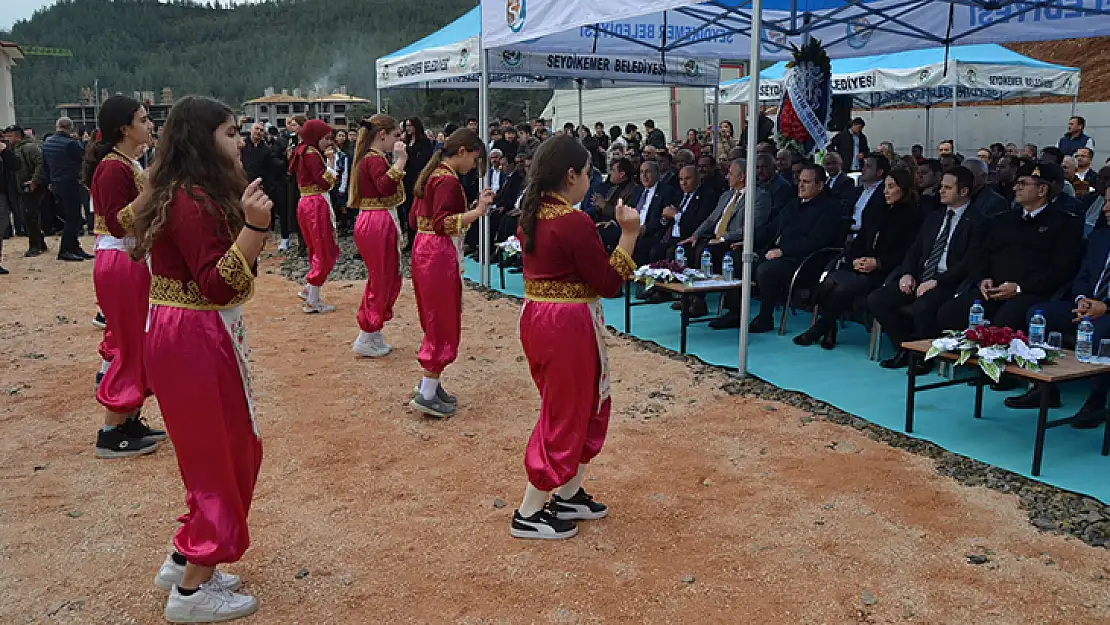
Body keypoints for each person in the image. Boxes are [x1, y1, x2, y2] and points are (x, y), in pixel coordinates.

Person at [131, 95, 269, 622]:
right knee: (226, 454)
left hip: (184, 333)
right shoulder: (192, 200)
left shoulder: (184, 193)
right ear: (203, 140)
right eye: (231, 133)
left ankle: (186, 555)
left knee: (211, 452)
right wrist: (253, 230)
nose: (240, 143)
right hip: (195, 336)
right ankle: (192, 589)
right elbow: (217, 284)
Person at [510, 134, 639, 540]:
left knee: (580, 404)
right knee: (568, 409)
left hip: (542, 317)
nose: (590, 180)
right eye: (587, 173)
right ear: (571, 175)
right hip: (567, 324)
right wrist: (629, 235)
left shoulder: (532, 214)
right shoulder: (572, 222)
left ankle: (567, 492)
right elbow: (607, 282)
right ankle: (530, 510)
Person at [84, 94, 164, 459]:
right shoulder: (114, 168)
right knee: (130, 343)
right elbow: (118, 220)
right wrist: (152, 194)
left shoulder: (123, 163)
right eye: (143, 119)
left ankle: (129, 416)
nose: (149, 125)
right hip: (121, 259)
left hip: (126, 258)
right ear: (124, 128)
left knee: (139, 339)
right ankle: (110, 430)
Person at [936, 162, 1083, 334]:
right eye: (1016, 184)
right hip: (992, 289)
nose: (1016, 188)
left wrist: (1020, 287)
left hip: (1029, 292)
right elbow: (980, 253)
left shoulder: (1064, 223)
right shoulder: (1003, 220)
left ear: (1042, 190)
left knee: (1002, 324)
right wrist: (983, 278)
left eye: (1023, 184)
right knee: (949, 313)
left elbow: (1061, 268)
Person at [408, 129, 493, 418]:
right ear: (462, 152)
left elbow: (419, 217)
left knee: (433, 315)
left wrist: (470, 210)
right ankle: (428, 389)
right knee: (443, 318)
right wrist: (479, 210)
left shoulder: (432, 176)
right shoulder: (446, 181)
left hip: (424, 249)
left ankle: (431, 383)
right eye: (473, 158)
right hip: (438, 253)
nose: (473, 165)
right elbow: (445, 223)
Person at [869, 166, 987, 373]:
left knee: (923, 306)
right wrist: (907, 273)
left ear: (964, 191)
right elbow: (914, 250)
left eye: (948, 187)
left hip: (948, 281)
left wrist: (938, 281)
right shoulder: (934, 216)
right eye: (941, 186)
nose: (941, 191)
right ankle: (906, 347)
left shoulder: (978, 221)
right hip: (921, 275)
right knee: (878, 299)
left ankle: (925, 356)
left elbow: (969, 262)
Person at [794, 169, 923, 349]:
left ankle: (822, 329)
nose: (886, 191)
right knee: (829, 283)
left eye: (891, 187)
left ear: (904, 188)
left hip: (884, 271)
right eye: (885, 186)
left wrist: (878, 263)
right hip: (860, 264)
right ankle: (827, 329)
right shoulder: (876, 211)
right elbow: (860, 240)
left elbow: (908, 251)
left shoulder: (912, 216)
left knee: (838, 289)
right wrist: (855, 259)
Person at [1010, 197, 1110, 422]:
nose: (1105, 208)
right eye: (1106, 201)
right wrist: (1082, 299)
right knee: (1039, 314)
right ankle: (1043, 387)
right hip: (1086, 305)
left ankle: (1096, 401)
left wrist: (1105, 307)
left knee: (1099, 329)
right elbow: (1083, 276)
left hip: (1106, 312)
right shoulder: (1101, 238)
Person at [715, 163, 842, 331]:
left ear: (819, 185)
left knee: (767, 270)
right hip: (775, 253)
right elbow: (770, 228)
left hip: (804, 261)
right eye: (800, 181)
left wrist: (783, 251)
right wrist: (748, 241)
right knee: (736, 257)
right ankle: (735, 312)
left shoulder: (829, 209)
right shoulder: (794, 203)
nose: (800, 185)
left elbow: (816, 241)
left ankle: (765, 317)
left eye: (806, 182)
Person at [348, 114, 408, 359]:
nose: (397, 140)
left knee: (382, 276)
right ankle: (367, 332)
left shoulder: (367, 158)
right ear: (382, 134)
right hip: (378, 221)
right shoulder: (374, 160)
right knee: (382, 277)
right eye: (395, 135)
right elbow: (385, 187)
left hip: (371, 219)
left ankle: (372, 332)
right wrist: (400, 161)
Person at [289, 119, 340, 313]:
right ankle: (313, 299)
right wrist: (331, 162)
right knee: (324, 248)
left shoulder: (302, 150)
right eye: (326, 138)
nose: (329, 142)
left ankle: (310, 288)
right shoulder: (312, 154)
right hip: (316, 203)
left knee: (315, 247)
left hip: (305, 203)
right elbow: (326, 183)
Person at [43, 117, 93, 261]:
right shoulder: (71, 144)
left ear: (57, 126)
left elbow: (45, 165)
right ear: (71, 128)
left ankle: (74, 247)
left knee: (70, 217)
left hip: (56, 183)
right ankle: (65, 250)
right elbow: (84, 157)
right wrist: (83, 142)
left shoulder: (48, 142)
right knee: (74, 218)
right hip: (70, 183)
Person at [5, 124, 48, 256]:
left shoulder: (30, 148)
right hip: (20, 187)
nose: (7, 139)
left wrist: (34, 181)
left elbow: (40, 164)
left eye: (9, 136)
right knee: (26, 216)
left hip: (30, 187)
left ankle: (35, 246)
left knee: (30, 216)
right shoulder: (13, 149)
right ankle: (39, 242)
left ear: (17, 136)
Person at [401, 117, 435, 250]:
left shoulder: (424, 142)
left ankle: (419, 240)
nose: (408, 128)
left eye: (410, 125)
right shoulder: (407, 142)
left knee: (418, 210)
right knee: (408, 209)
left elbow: (424, 161)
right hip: (407, 178)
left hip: (418, 178)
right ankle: (410, 239)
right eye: (406, 126)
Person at [850, 153, 890, 233]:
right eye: (863, 165)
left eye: (868, 166)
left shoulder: (885, 192)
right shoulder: (856, 191)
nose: (863, 169)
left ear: (879, 172)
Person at [0, 137, 18, 274]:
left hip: (2, 194)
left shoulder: (4, 150)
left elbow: (17, 165)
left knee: (3, 225)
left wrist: (5, 151)